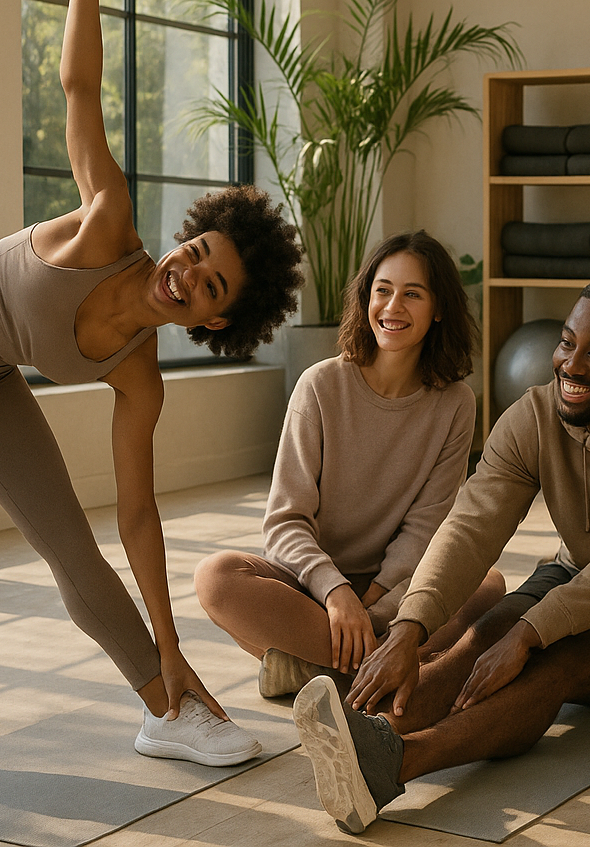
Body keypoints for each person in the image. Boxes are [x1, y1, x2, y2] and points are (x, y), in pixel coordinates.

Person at [0, 0, 303, 766]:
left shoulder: (139, 378)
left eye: (211, 288)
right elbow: (79, 88)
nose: (188, 276)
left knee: (71, 548)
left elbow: (141, 520)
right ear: (186, 239)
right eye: (197, 254)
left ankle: (167, 705)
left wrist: (173, 640)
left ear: (211, 323)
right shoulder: (109, 221)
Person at [289, 276, 590, 834]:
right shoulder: (534, 415)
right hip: (575, 572)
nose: (571, 365)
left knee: (550, 656)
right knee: (485, 632)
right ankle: (365, 734)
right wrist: (410, 627)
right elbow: (470, 527)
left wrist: (533, 632)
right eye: (567, 342)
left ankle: (395, 765)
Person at [194, 232, 505, 700]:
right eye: (382, 290)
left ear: (438, 308)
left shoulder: (456, 403)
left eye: (412, 294)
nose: (393, 306)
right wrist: (336, 594)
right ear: (366, 298)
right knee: (216, 578)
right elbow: (284, 523)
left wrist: (374, 597)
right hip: (308, 584)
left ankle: (309, 665)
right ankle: (390, 665)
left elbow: (428, 525)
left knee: (488, 584)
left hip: (393, 589)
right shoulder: (320, 385)